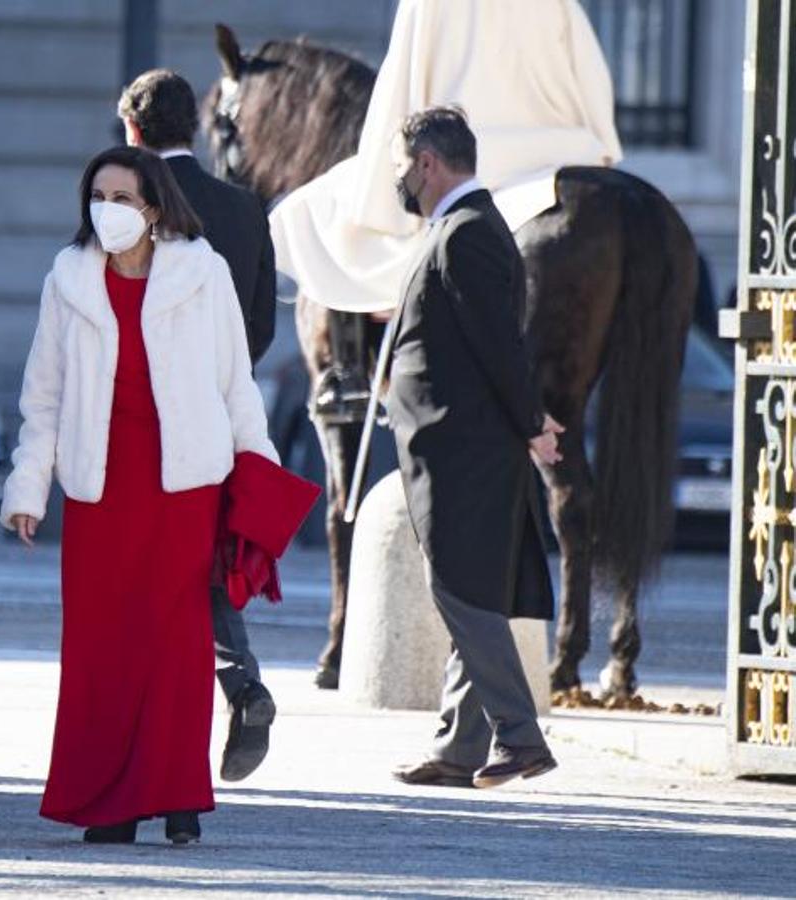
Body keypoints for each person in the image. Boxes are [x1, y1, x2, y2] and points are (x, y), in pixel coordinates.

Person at [0, 145, 278, 843]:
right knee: (101, 649)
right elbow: (42, 395)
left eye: (121, 198)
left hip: (184, 488)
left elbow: (235, 383)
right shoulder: (67, 277)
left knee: (177, 649)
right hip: (100, 492)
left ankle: (178, 797)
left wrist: (259, 474)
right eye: (97, 198)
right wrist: (28, 485)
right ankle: (109, 803)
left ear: (153, 207)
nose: (107, 210)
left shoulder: (203, 271)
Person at [382, 107, 560, 790]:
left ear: (426, 163)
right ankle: (459, 749)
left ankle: (519, 737)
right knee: (469, 586)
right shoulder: (459, 228)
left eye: (401, 165)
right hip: (454, 447)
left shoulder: (467, 233)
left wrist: (531, 422)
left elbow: (499, 346)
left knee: (459, 590)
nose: (399, 179)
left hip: (464, 451)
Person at [117, 67, 280, 783]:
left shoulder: (127, 205)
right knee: (203, 565)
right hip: (221, 412)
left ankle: (171, 724)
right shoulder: (245, 208)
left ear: (132, 129)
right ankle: (236, 682)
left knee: (146, 578)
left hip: (143, 419)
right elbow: (262, 326)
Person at [270, 0, 622, 314]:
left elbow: (399, 105)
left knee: (307, 214)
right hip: (565, 156)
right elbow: (593, 94)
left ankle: (365, 343)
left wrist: (382, 207)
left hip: (464, 159)